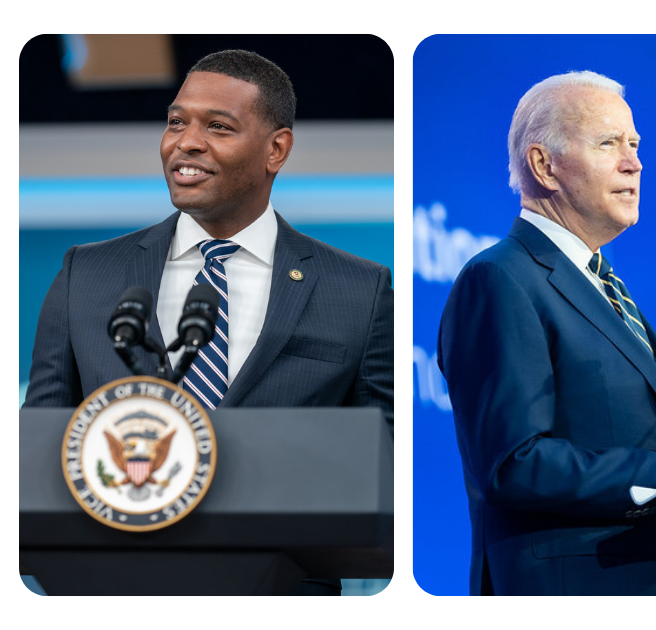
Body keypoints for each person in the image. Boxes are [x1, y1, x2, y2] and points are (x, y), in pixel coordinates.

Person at [23, 50, 394, 596]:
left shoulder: (357, 289)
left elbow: (380, 459)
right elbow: (42, 447)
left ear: (277, 149)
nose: (185, 143)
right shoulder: (89, 273)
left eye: (217, 126)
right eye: (176, 122)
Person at [438, 71, 656, 595]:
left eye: (634, 144)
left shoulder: (606, 284)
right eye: (608, 144)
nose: (634, 162)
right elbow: (515, 464)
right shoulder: (501, 278)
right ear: (544, 165)